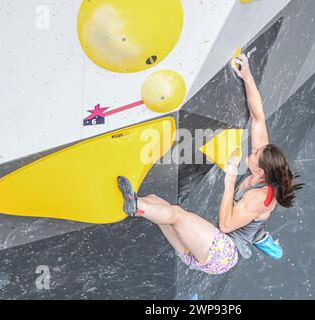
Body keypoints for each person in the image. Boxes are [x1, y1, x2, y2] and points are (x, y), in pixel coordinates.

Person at [117, 54, 304, 275]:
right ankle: (135, 204)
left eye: (255, 153)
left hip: (221, 254)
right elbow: (258, 118)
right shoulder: (262, 168)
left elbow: (225, 225)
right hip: (197, 250)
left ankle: (135, 204)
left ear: (260, 170)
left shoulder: (259, 198)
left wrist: (230, 179)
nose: (253, 150)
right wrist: (248, 77)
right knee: (158, 205)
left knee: (176, 214)